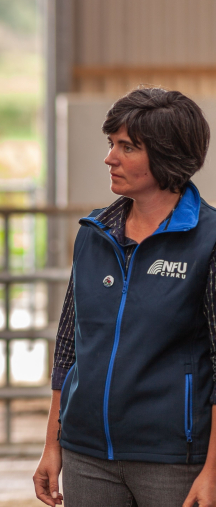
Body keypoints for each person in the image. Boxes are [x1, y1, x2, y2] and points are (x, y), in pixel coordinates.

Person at [33, 88, 216, 507]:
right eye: (111, 144)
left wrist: (213, 470)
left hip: (174, 462)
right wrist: (53, 443)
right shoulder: (93, 233)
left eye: (127, 147)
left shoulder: (209, 241)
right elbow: (68, 347)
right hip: (86, 457)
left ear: (168, 155)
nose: (109, 157)